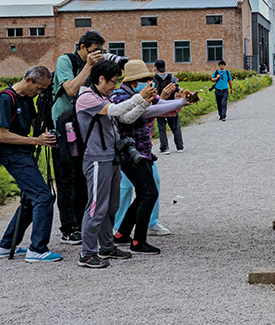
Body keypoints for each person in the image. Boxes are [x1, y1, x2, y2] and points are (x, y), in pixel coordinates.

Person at [76, 59, 155, 269]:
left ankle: (107, 247)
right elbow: (116, 110)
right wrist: (140, 97)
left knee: (111, 206)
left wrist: (145, 102)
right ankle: (87, 253)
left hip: (112, 158)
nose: (115, 85)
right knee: (96, 207)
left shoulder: (103, 97)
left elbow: (125, 118)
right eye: (113, 81)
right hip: (96, 159)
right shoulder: (86, 98)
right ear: (101, 79)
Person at [110, 60, 190, 254]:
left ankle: (121, 234)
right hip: (129, 153)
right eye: (143, 80)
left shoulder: (143, 93)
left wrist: (183, 100)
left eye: (148, 79)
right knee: (149, 193)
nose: (148, 83)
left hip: (143, 151)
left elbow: (160, 104)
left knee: (144, 192)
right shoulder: (119, 96)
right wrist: (178, 102)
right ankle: (138, 241)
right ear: (132, 81)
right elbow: (146, 111)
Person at [0, 66, 62, 263]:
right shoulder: (5, 99)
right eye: (39, 88)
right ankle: (37, 249)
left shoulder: (27, 98)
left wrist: (48, 135)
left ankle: (5, 246)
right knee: (43, 197)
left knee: (30, 200)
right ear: (29, 80)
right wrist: (36, 140)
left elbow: (35, 124)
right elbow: (2, 135)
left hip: (24, 154)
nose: (39, 92)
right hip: (13, 155)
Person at [49, 31, 108, 245]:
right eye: (93, 51)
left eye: (100, 51)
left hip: (85, 127)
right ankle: (68, 228)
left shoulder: (95, 64)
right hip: (64, 128)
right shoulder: (65, 61)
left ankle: (84, 223)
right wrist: (88, 66)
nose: (97, 54)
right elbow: (72, 90)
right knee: (66, 178)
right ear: (82, 47)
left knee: (84, 177)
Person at [153, 59, 183, 154]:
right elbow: (177, 89)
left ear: (156, 67)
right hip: (171, 105)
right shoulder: (171, 77)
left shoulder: (154, 79)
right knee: (175, 127)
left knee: (162, 128)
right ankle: (180, 146)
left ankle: (164, 148)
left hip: (160, 106)